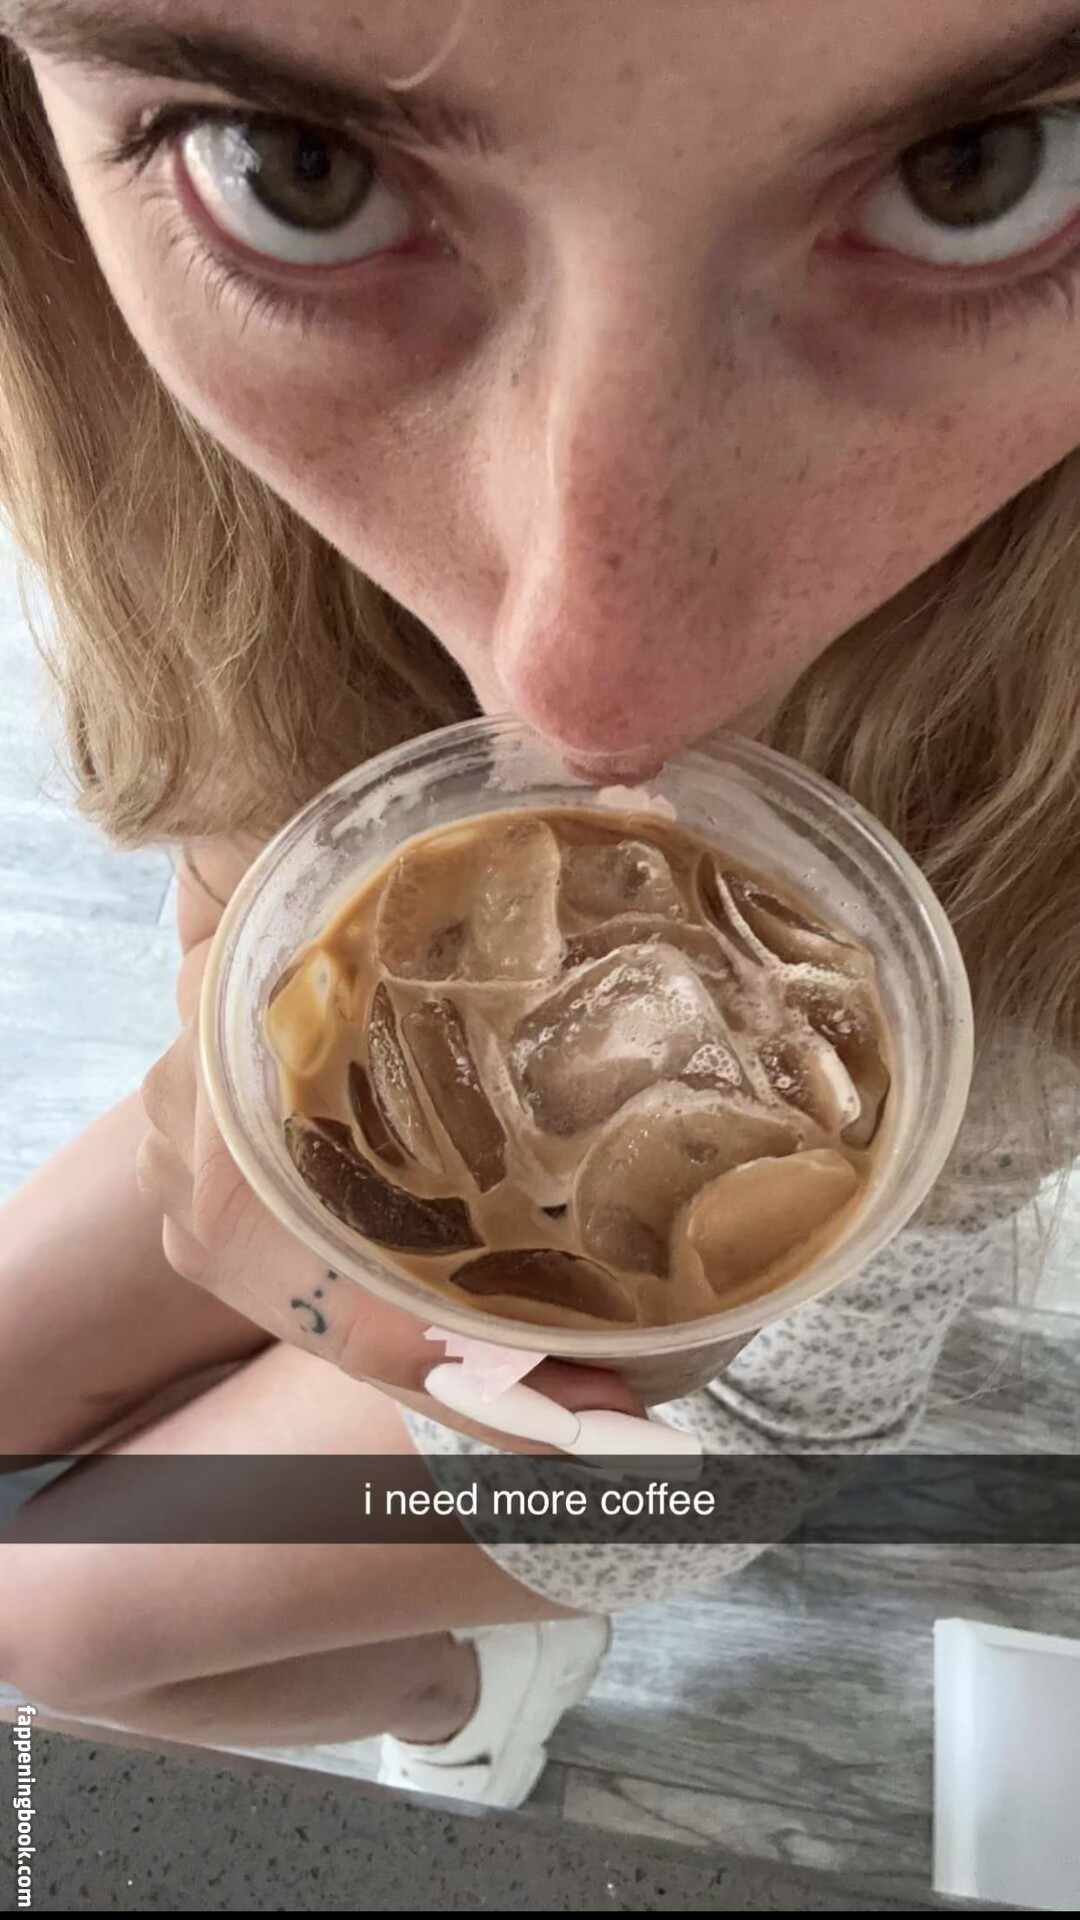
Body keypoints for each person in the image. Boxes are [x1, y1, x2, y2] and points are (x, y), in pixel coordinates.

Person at [1, 0, 1078, 1808]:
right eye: (300, 169)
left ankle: (468, 1690)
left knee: (39, 1628)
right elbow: (242, 813)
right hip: (386, 1116)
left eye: (978, 170)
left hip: (690, 1406)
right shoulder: (134, 389)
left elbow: (756, 1386)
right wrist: (234, 995)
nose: (586, 698)